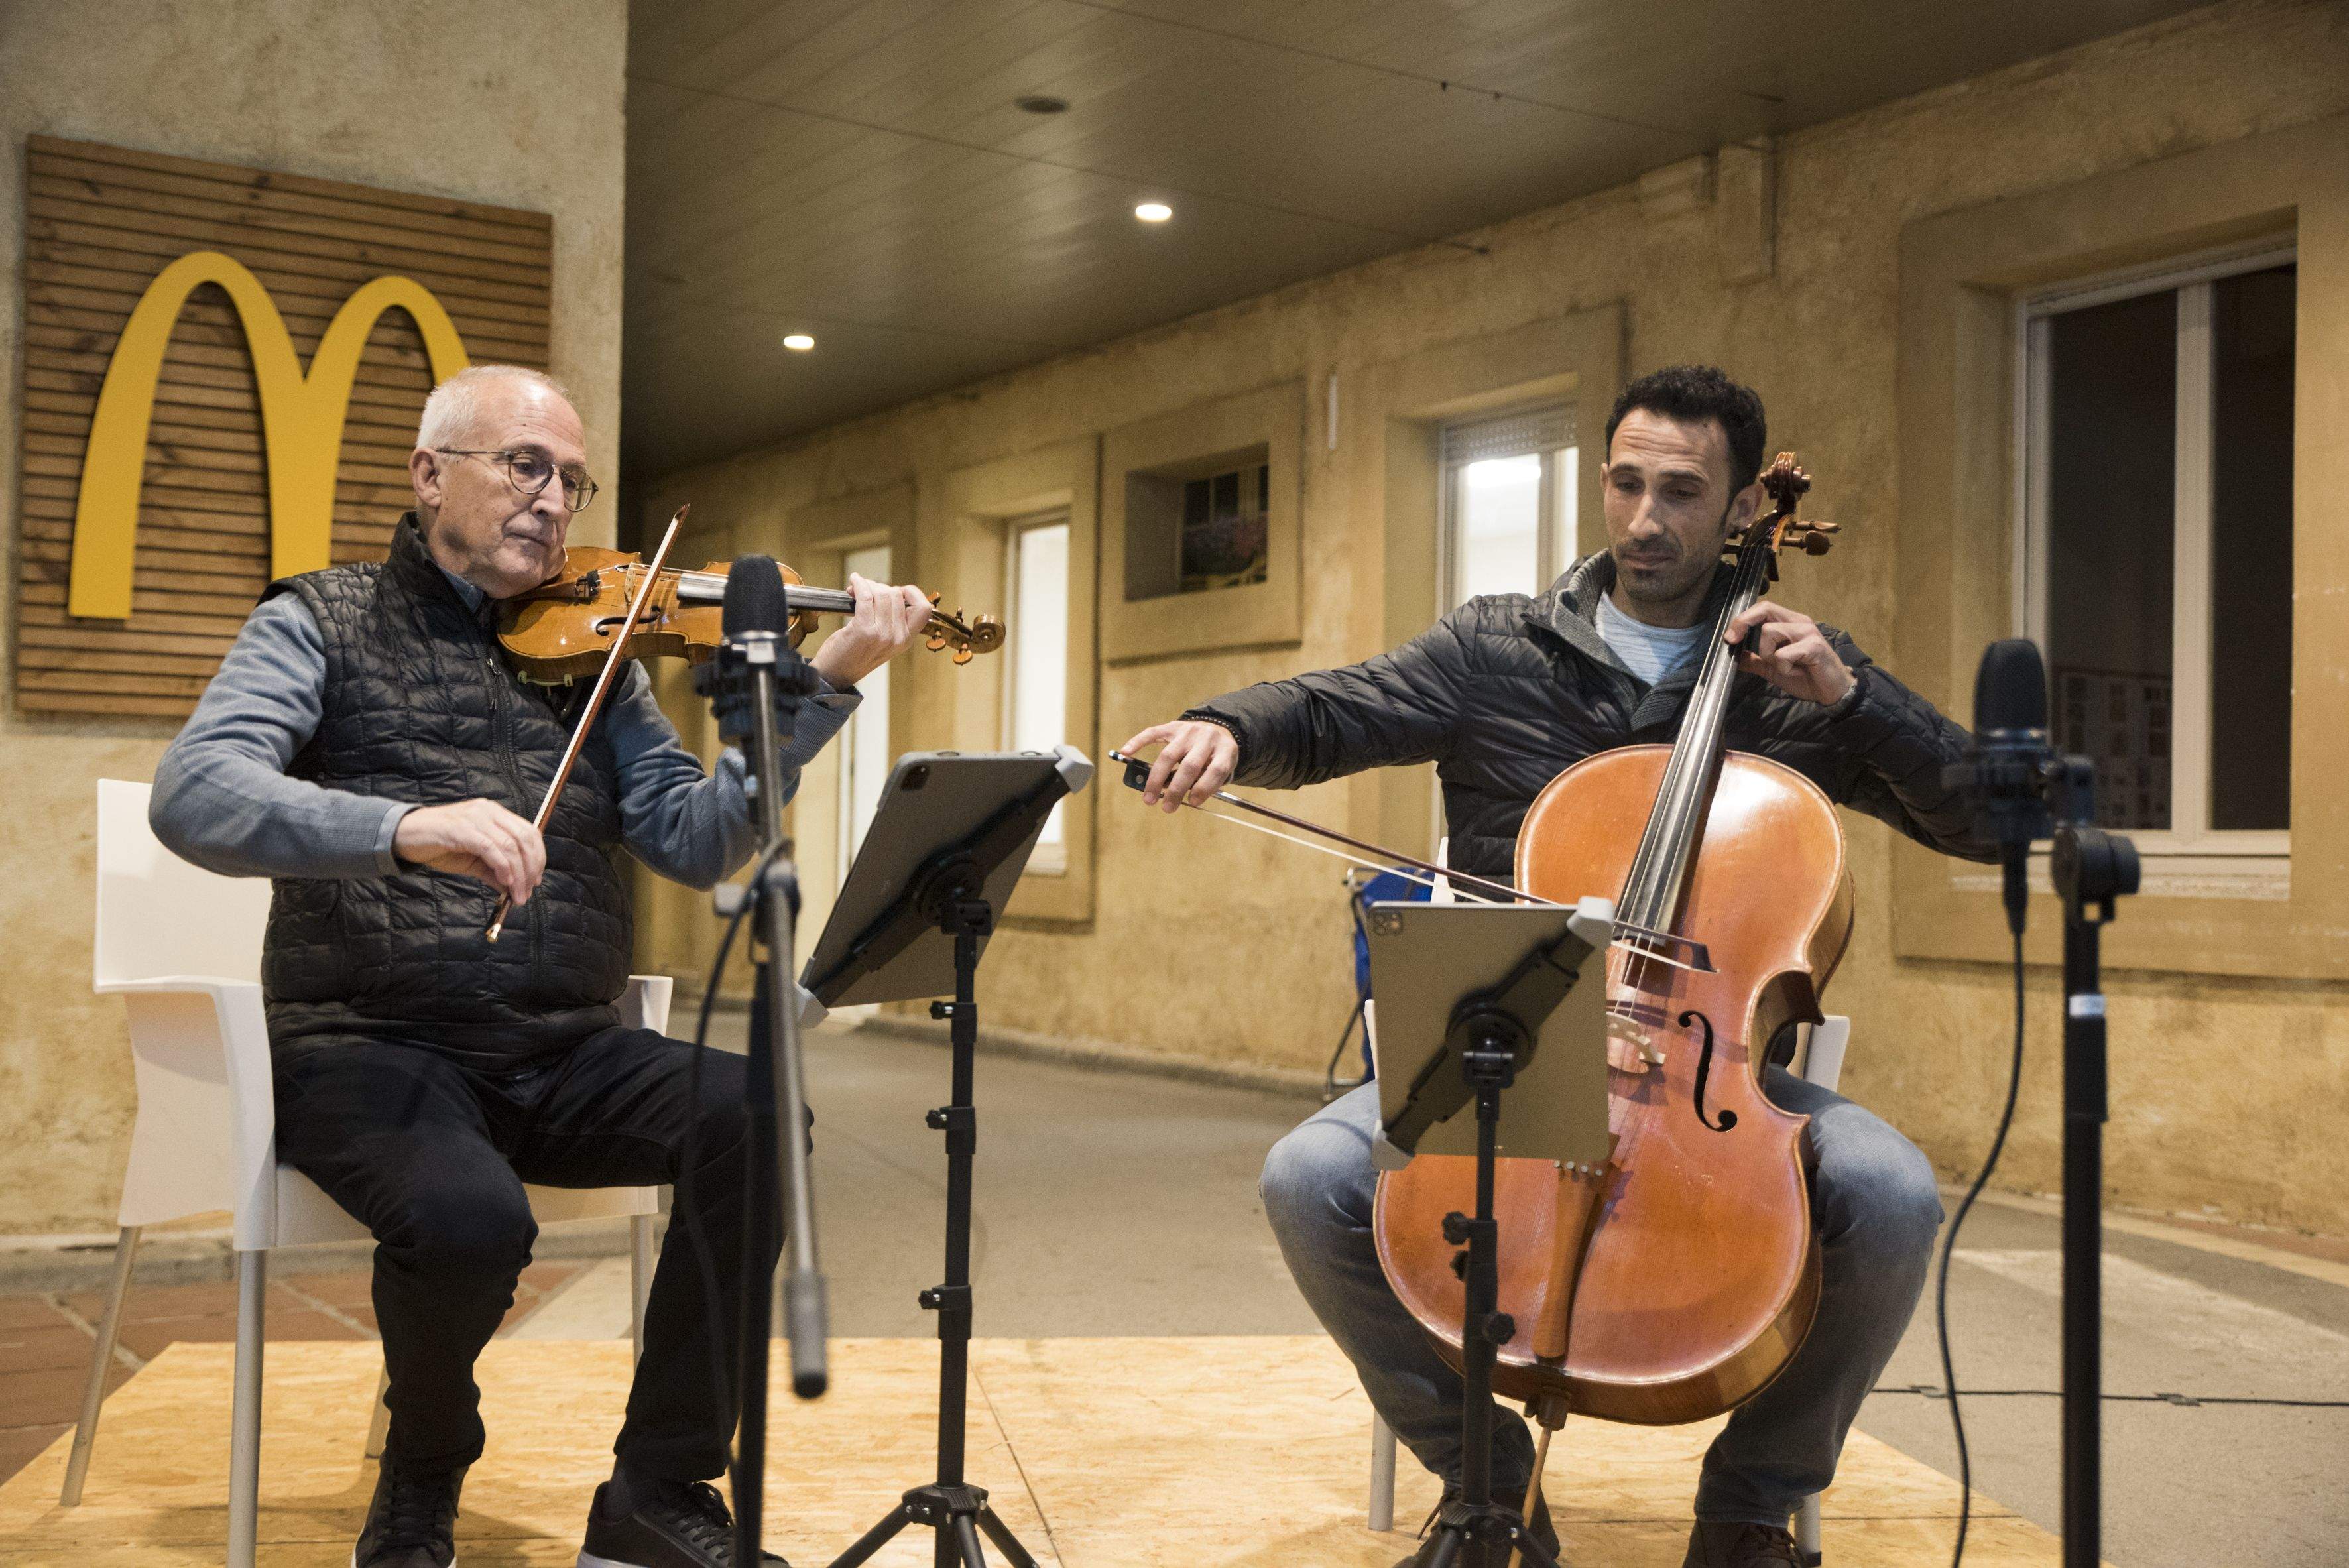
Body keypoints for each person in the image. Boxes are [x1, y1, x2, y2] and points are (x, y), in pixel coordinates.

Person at [1119, 365, 1990, 1568]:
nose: (1645, 518)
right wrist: (1230, 725)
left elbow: (1989, 823)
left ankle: (1750, 1507)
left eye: (1682, 492)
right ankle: (1488, 1489)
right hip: (1506, 1056)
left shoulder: (1796, 687)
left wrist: (1857, 695)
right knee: (1307, 1174)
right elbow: (1335, 709)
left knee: (1890, 1194)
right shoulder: (1497, 646)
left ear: (1744, 511)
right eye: (1627, 483)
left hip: (1709, 1074)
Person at [151, 365, 930, 1568]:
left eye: (572, 479)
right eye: (526, 465)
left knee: (758, 1113)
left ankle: (658, 1490)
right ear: (429, 476)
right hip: (367, 1040)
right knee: (470, 1219)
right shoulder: (323, 616)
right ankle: (424, 1467)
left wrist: (822, 689)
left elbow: (694, 835)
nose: (554, 500)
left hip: (562, 1045)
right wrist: (404, 826)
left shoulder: (593, 657)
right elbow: (195, 794)